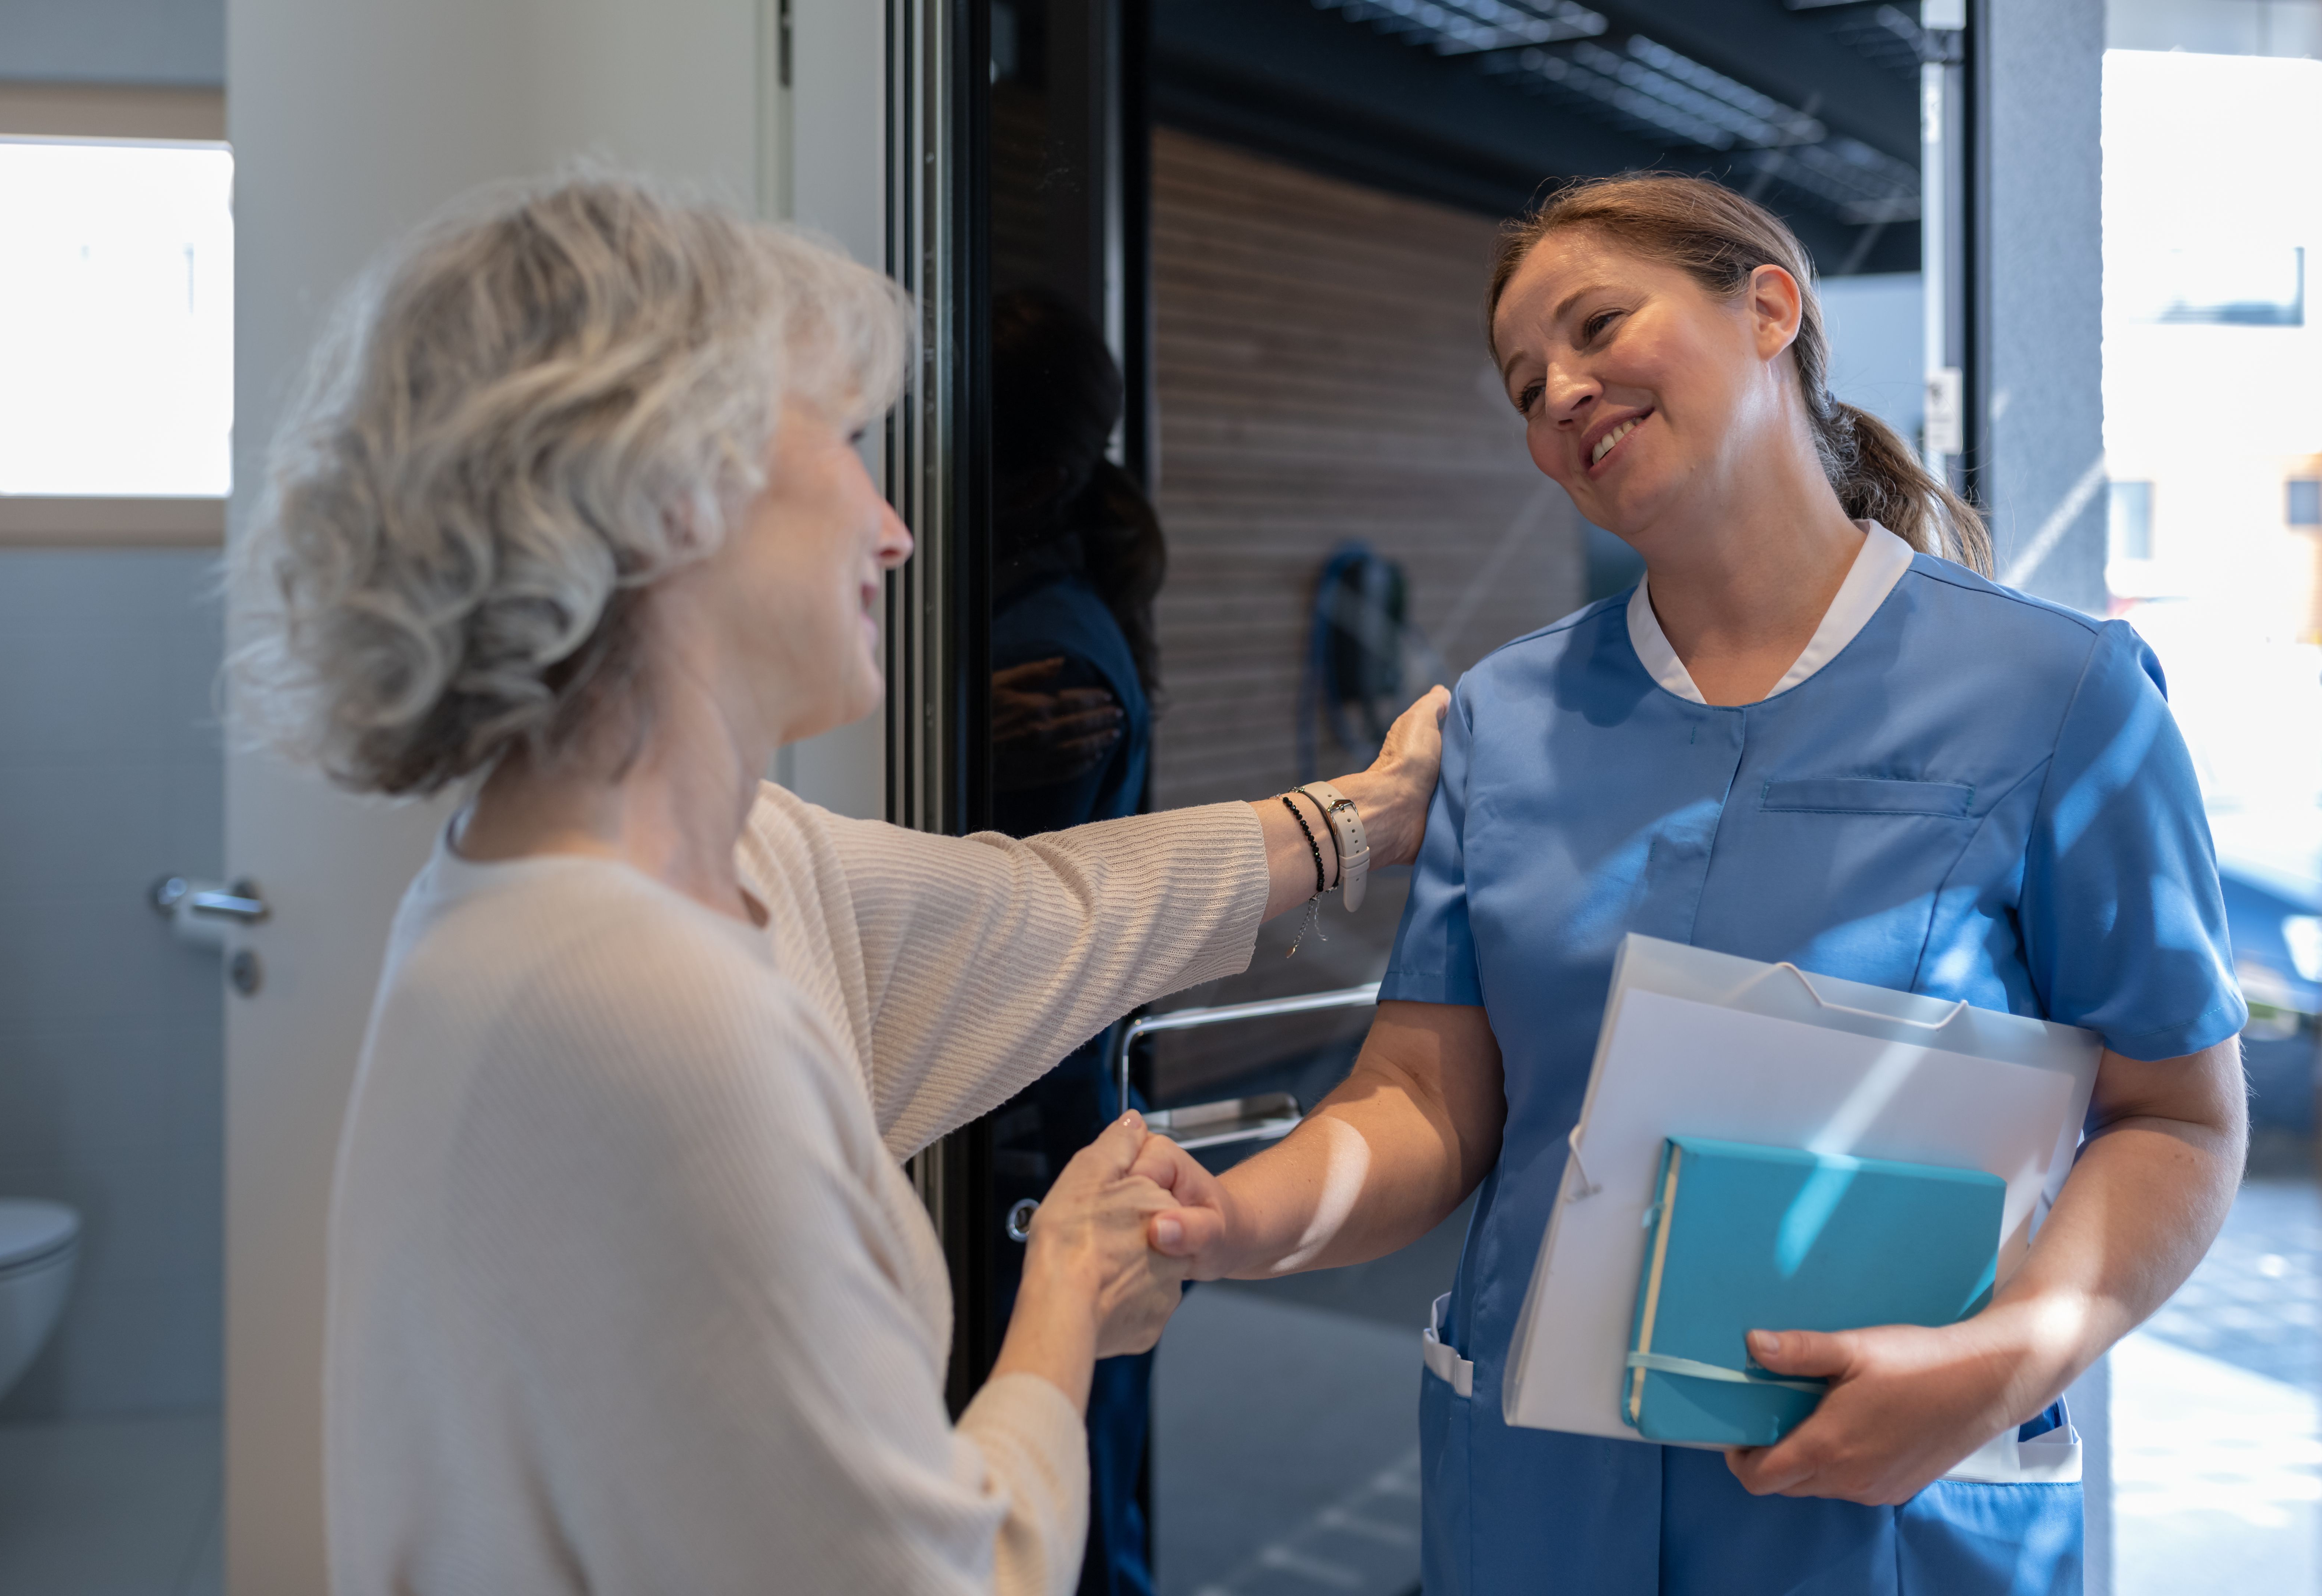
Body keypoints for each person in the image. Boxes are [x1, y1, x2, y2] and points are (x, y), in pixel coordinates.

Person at [236, 173, 1448, 1596]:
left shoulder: (707, 861)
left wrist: (1363, 819)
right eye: (847, 444)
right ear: (671, 488)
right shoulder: (643, 1007)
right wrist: (1066, 1296)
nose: (895, 529)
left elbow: (1043, 914)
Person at [1136, 172, 2248, 1594]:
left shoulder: (2060, 694)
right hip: (1542, 1503)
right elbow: (1423, 1102)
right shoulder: (1507, 718)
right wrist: (1231, 1219)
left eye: (1599, 326)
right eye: (1525, 384)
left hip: (1883, 1516)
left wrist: (2008, 1356)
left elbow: (2177, 1117)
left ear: (1769, 308)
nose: (1560, 392)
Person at [984, 285, 1173, 1596]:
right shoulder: (1000, 648)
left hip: (1024, 1149)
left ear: (1033, 478)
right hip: (1033, 1133)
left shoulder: (1045, 669)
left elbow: (1001, 934)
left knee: (1064, 1530)